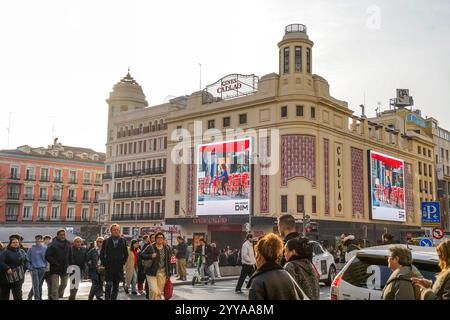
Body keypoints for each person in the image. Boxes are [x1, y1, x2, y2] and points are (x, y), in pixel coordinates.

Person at [247, 233, 304, 300]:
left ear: (260, 257)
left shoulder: (257, 282)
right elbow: (300, 296)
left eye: (256, 255)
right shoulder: (286, 275)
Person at [100, 224, 128, 300]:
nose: (116, 231)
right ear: (111, 231)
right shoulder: (106, 241)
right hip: (109, 266)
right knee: (108, 285)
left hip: (118, 267)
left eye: (117, 230)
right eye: (114, 230)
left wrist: (123, 262)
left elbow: (126, 254)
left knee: (116, 286)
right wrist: (104, 263)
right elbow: (102, 254)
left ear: (119, 231)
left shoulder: (123, 241)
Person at [141, 232, 171, 300]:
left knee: (159, 292)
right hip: (151, 272)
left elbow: (168, 261)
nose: (160, 239)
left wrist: (168, 272)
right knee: (154, 291)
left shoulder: (166, 248)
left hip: (162, 273)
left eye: (161, 238)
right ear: (155, 239)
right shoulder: (151, 246)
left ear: (163, 239)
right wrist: (150, 256)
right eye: (158, 237)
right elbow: (141, 255)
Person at [45, 229, 71, 300]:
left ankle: (57, 296)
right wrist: (55, 263)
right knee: (55, 286)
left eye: (64, 234)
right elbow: (47, 256)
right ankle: (54, 297)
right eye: (61, 235)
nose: (63, 236)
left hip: (65, 268)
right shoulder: (52, 244)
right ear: (57, 236)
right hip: (55, 268)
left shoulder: (68, 243)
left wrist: (70, 265)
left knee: (64, 284)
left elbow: (70, 255)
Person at [0, 236, 27, 300]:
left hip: (18, 278)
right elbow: (0, 261)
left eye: (17, 242)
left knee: (18, 295)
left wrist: (24, 269)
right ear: (10, 243)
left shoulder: (22, 251)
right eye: (14, 242)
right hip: (6, 278)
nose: (16, 243)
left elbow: (26, 261)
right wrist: (7, 268)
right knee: (4, 295)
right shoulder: (5, 252)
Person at [26, 235, 47, 300]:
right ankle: (37, 298)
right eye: (37, 239)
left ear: (42, 240)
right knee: (36, 285)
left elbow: (47, 258)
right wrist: (30, 267)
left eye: (39, 239)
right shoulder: (31, 249)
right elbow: (27, 259)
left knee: (39, 285)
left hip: (42, 269)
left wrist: (45, 266)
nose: (38, 240)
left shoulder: (45, 248)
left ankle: (30, 297)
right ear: (35, 240)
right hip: (34, 268)